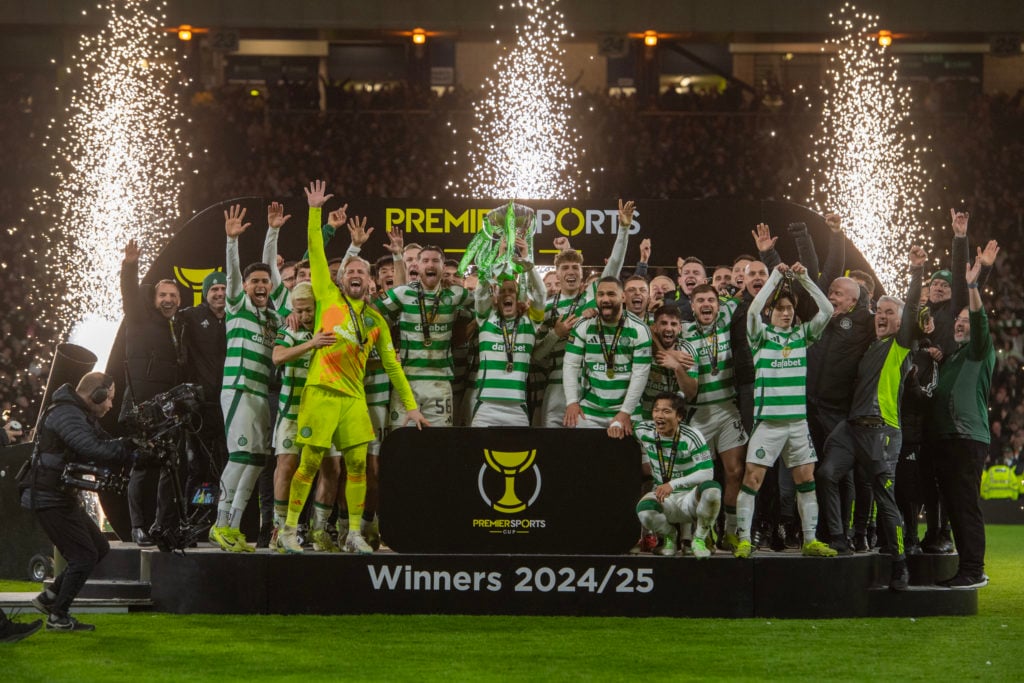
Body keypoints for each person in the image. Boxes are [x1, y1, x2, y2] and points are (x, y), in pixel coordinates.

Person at [279, 181, 429, 554]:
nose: (357, 275)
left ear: (372, 281)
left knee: (358, 466)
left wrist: (411, 405)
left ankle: (354, 534)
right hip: (320, 393)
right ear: (342, 279)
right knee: (310, 464)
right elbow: (315, 249)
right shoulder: (327, 297)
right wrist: (314, 211)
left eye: (363, 272)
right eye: (351, 271)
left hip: (353, 399)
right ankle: (288, 530)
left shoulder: (375, 321)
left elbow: (393, 367)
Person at [816, 245, 926, 591]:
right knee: (827, 473)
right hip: (852, 428)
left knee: (883, 496)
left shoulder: (900, 347)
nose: (881, 316)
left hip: (883, 432)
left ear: (900, 320)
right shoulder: (868, 347)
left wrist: (916, 271)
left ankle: (899, 564)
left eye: (889, 312)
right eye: (879, 310)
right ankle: (839, 538)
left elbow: (910, 315)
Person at [733, 263, 837, 558]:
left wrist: (804, 278)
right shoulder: (760, 336)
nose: (786, 312)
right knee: (751, 481)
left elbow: (827, 310)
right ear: (771, 312)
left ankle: (810, 541)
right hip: (768, 424)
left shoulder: (803, 335)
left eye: (789, 308)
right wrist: (776, 277)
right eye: (779, 308)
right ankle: (743, 539)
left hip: (797, 424)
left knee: (806, 482)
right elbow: (753, 311)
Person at [20, 373, 133, 631]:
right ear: (97, 394)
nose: (110, 406)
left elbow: (104, 442)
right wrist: (127, 448)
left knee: (99, 548)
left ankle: (50, 598)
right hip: (49, 498)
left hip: (59, 496)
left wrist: (132, 446)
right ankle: (58, 617)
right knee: (83, 556)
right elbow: (94, 449)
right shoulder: (67, 413)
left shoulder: (79, 413)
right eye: (110, 399)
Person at [208, 204, 284, 552]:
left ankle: (235, 525)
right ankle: (219, 524)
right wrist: (230, 241)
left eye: (265, 281)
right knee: (239, 458)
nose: (260, 285)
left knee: (255, 461)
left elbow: (276, 277)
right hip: (238, 390)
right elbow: (233, 272)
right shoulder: (238, 306)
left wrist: (274, 234)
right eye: (255, 281)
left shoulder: (273, 319)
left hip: (260, 395)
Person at [533, 200, 636, 427]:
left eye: (575, 268)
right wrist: (555, 334)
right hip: (556, 385)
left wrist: (624, 228)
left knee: (582, 449)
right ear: (557, 275)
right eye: (565, 268)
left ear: (581, 273)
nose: (571, 271)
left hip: (588, 385)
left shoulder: (593, 295)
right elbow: (536, 356)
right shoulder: (547, 307)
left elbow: (615, 264)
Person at [930, 254, 996, 589]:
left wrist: (972, 284)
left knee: (965, 505)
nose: (959, 323)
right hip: (948, 437)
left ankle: (973, 570)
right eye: (957, 320)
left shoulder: (980, 350)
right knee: (954, 506)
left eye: (965, 320)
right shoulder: (954, 356)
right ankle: (966, 567)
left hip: (966, 437)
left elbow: (980, 318)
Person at [119, 239, 183, 547]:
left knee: (170, 467)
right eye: (163, 295)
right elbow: (130, 294)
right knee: (143, 467)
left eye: (173, 295)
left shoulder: (177, 328)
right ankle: (137, 526)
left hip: (168, 409)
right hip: (142, 407)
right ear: (154, 298)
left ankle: (160, 525)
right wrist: (130, 266)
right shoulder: (139, 318)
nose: (168, 299)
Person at [681, 283, 749, 549]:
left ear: (718, 304)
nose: (706, 305)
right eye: (700, 301)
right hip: (698, 415)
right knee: (702, 478)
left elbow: (743, 297)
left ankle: (731, 531)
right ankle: (704, 531)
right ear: (693, 305)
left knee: (735, 472)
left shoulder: (727, 313)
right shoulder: (684, 331)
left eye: (711, 300)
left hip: (727, 410)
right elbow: (656, 331)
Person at [377, 244, 473, 428]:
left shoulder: (456, 294)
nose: (431, 264)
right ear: (417, 267)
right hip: (407, 381)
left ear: (443, 267)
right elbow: (373, 315)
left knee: (438, 443)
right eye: (425, 260)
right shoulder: (402, 293)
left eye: (436, 260)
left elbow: (486, 306)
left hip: (440, 382)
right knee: (401, 442)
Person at [563, 276, 652, 438]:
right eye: (601, 294)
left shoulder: (639, 329)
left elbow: (640, 374)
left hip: (627, 408)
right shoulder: (583, 326)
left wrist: (625, 412)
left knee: (639, 460)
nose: (605, 299)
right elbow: (570, 365)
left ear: (623, 297)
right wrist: (572, 402)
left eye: (611, 294)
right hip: (590, 408)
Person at [635, 393, 721, 558]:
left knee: (712, 491)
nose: (659, 416)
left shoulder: (692, 436)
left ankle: (700, 538)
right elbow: (625, 425)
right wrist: (617, 423)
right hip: (663, 498)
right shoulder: (644, 431)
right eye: (656, 410)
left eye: (666, 411)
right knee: (643, 511)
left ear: (679, 416)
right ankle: (670, 537)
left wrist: (673, 484)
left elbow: (707, 472)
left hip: (690, 499)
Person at [471, 238, 546, 427]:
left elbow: (540, 294)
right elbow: (480, 292)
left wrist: (528, 263)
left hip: (517, 408)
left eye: (511, 291)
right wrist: (499, 258)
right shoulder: (486, 318)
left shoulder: (530, 322)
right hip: (485, 407)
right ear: (495, 297)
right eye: (502, 291)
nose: (507, 294)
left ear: (519, 296)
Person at [177, 271, 228, 515]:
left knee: (228, 464)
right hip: (202, 407)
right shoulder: (191, 316)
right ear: (205, 294)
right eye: (214, 289)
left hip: (231, 404)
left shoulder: (240, 316)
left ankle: (227, 518)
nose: (219, 293)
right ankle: (194, 518)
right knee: (198, 467)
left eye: (223, 288)